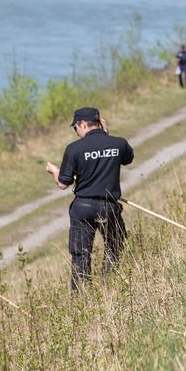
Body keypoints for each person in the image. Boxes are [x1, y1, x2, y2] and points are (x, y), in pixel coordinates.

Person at [45, 108, 134, 290]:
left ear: (83, 124)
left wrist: (54, 171)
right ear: (99, 124)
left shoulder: (74, 149)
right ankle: (110, 284)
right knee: (114, 247)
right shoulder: (118, 143)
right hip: (109, 207)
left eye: (75, 127)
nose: (76, 132)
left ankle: (81, 296)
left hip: (83, 207)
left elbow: (63, 184)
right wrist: (107, 135)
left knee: (81, 254)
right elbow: (128, 158)